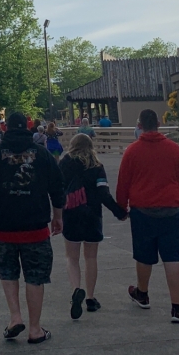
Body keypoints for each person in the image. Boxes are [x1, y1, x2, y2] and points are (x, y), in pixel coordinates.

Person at [0, 111, 64, 344]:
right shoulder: (42, 154)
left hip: (4, 226)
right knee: (35, 277)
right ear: (26, 128)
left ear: (6, 129)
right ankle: (35, 329)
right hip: (35, 226)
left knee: (8, 272)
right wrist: (58, 216)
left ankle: (15, 317)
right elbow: (57, 187)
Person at [116, 108, 179, 323]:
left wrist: (122, 208)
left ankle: (143, 293)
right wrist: (177, 196)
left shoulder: (132, 151)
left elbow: (123, 182)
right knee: (172, 257)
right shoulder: (174, 149)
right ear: (158, 123)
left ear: (139, 125)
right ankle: (177, 307)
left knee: (143, 254)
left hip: (143, 209)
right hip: (171, 208)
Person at [59, 133, 127, 318]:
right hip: (92, 216)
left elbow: (57, 190)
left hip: (71, 214)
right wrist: (119, 212)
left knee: (71, 258)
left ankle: (76, 290)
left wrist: (56, 214)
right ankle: (90, 297)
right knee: (91, 258)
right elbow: (104, 194)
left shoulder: (64, 163)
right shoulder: (96, 166)